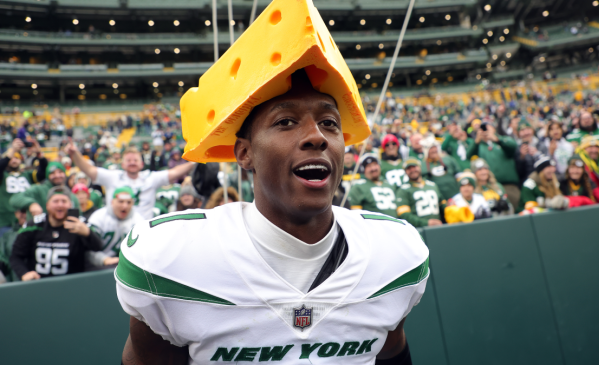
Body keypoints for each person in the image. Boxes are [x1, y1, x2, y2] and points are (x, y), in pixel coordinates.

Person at [117, 62, 427, 363]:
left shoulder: (395, 253)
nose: (317, 136)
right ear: (245, 153)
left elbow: (392, 350)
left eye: (330, 123)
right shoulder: (173, 259)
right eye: (286, 122)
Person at [66, 145, 195, 219]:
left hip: (143, 229)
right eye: (128, 160)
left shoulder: (150, 177)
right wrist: (75, 154)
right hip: (117, 227)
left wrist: (194, 161)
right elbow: (89, 170)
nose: (132, 162)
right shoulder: (113, 176)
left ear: (142, 164)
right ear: (122, 164)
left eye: (135, 160)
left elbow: (175, 172)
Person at [10, 186, 102, 281]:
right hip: (38, 284)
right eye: (55, 201)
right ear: (47, 205)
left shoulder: (79, 224)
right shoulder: (34, 225)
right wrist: (24, 273)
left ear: (70, 205)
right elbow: (16, 256)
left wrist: (88, 233)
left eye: (64, 201)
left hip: (71, 284)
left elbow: (98, 247)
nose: (60, 205)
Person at [87, 186, 144, 268]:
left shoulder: (139, 220)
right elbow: (88, 248)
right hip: (100, 268)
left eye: (129, 202)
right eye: (121, 201)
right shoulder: (98, 217)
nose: (125, 206)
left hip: (128, 267)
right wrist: (103, 259)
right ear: (112, 202)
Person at [0, 138, 47, 236]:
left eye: (17, 158)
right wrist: (12, 150)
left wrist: (39, 154)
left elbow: (44, 172)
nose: (14, 160)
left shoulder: (27, 174)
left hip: (29, 219)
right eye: (12, 158)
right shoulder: (3, 175)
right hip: (7, 221)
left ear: (21, 160)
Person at [467, 121, 520, 209]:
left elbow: (513, 147)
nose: (485, 131)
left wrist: (497, 139)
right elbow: (469, 156)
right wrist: (476, 141)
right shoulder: (479, 145)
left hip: (509, 185)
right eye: (482, 129)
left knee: (513, 208)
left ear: (494, 128)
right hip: (489, 186)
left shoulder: (503, 139)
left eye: (487, 128)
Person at [9, 161, 79, 219]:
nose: (57, 175)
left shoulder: (71, 196)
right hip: (38, 231)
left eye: (60, 172)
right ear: (47, 176)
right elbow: (15, 198)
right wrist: (31, 204)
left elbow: (79, 216)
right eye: (52, 173)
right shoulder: (38, 189)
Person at [396, 158, 444, 227]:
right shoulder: (403, 190)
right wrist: (425, 223)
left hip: (438, 227)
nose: (412, 170)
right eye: (409, 168)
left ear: (420, 167)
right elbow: (404, 215)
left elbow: (442, 205)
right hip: (418, 230)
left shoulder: (432, 185)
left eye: (414, 167)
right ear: (405, 172)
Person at [0, 208, 27, 283]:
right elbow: (3, 260)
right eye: (18, 212)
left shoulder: (42, 231)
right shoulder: (7, 236)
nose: (21, 215)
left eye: (24, 211)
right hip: (16, 284)